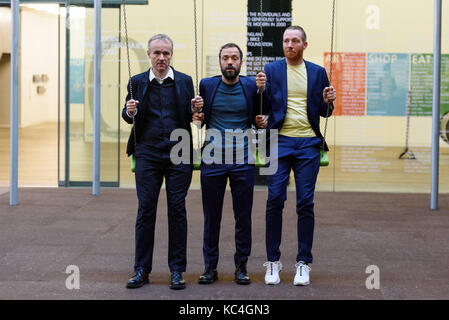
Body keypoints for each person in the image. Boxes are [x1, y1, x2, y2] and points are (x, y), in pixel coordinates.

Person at [255, 26, 336, 286]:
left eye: (295, 41)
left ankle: (303, 263)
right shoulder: (271, 71)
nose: (289, 44)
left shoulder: (317, 72)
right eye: (286, 40)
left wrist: (329, 100)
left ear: (304, 44)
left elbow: (325, 112)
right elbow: (264, 107)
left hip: (308, 143)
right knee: (274, 199)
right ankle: (273, 262)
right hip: (279, 141)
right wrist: (260, 92)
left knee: (305, 203)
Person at [122, 34, 203, 290]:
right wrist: (129, 111)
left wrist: (197, 110)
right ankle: (141, 269)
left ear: (171, 55)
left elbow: (195, 117)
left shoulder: (185, 82)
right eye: (157, 53)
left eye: (166, 53)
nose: (161, 58)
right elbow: (127, 115)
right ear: (148, 55)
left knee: (177, 210)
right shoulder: (136, 82)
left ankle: (177, 270)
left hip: (179, 152)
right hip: (147, 152)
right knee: (146, 209)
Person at [193, 43, 263, 285]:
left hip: (242, 160)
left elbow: (264, 112)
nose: (230, 61)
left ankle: (241, 267)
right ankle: (210, 268)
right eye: (225, 58)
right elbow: (199, 118)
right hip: (212, 160)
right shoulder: (207, 85)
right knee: (211, 217)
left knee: (243, 217)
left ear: (241, 63)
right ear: (220, 62)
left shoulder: (252, 86)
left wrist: (262, 119)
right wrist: (197, 116)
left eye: (234, 57)